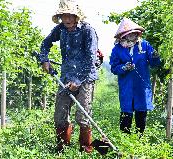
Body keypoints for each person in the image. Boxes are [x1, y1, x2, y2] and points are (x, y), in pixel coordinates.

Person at [38, 0, 98, 153]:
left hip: (85, 78)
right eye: (64, 16)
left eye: (70, 16)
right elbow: (45, 44)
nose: (67, 19)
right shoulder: (60, 30)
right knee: (60, 115)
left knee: (83, 116)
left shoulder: (88, 31)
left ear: (77, 17)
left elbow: (91, 59)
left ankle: (86, 150)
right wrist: (44, 60)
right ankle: (62, 148)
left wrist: (77, 80)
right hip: (65, 77)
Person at [109, 18, 161, 135]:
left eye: (134, 32)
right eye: (129, 33)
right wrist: (124, 68)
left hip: (141, 87)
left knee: (141, 115)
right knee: (126, 115)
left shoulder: (145, 45)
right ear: (124, 35)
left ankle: (140, 138)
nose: (132, 35)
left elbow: (154, 64)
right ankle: (124, 140)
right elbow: (114, 68)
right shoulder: (117, 49)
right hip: (126, 86)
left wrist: (155, 57)